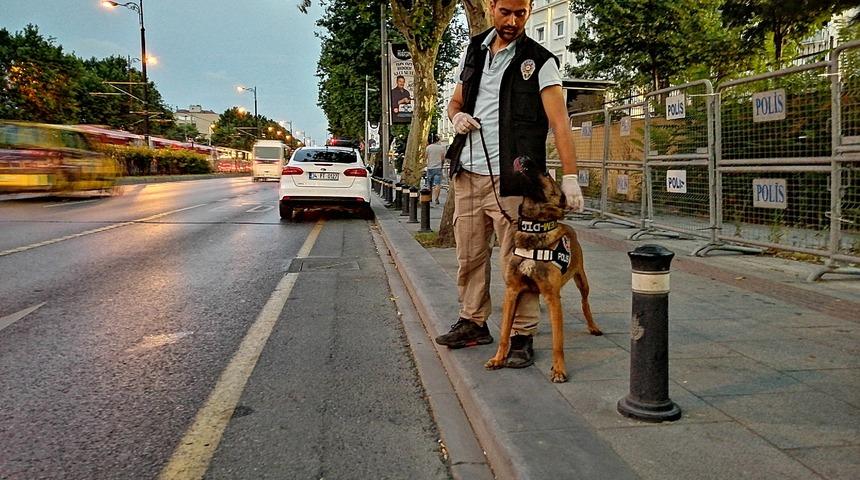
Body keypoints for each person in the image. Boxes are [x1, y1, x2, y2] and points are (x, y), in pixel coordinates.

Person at [434, 0, 584, 369]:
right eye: (506, 12)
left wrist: (570, 177)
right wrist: (457, 118)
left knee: (521, 259)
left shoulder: (541, 61)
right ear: (491, 6)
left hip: (513, 179)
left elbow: (560, 123)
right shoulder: (474, 50)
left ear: (529, 10)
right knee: (469, 256)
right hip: (468, 173)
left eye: (521, 13)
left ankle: (522, 335)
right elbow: (455, 103)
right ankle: (473, 321)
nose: (513, 21)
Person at [424, 133, 446, 204]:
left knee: (429, 184)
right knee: (437, 184)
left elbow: (425, 157)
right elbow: (443, 158)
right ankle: (436, 199)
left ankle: (429, 198)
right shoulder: (441, 148)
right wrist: (441, 165)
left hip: (430, 167)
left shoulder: (428, 147)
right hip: (438, 168)